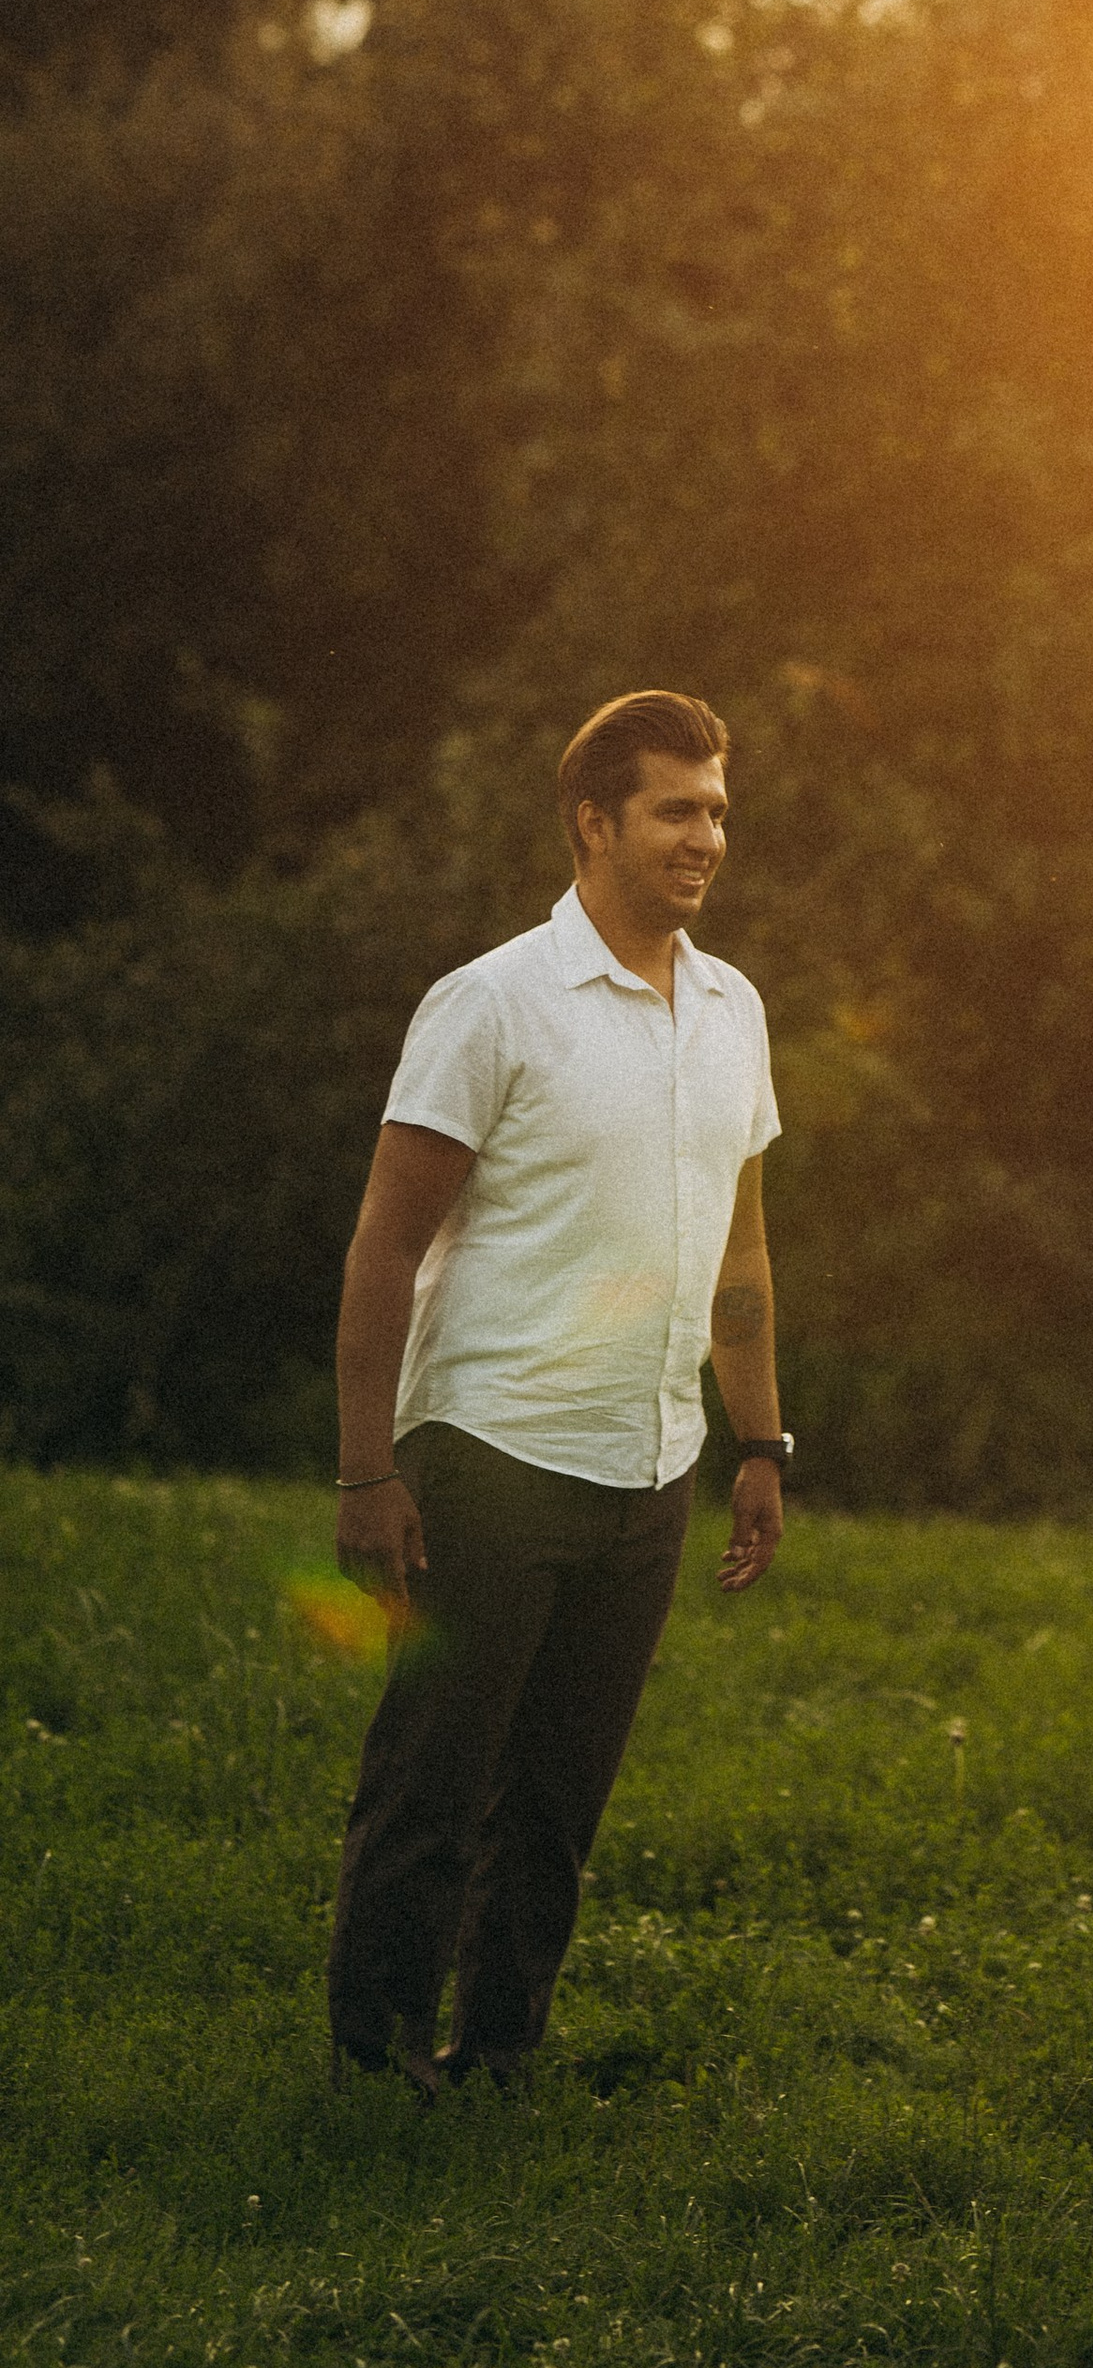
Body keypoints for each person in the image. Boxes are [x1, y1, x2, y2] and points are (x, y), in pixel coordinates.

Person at [326, 690, 791, 2097]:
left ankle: (503, 2051)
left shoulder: (731, 1009)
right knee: (434, 1777)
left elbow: (743, 1244)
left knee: (558, 1797)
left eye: (716, 807)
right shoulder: (493, 1003)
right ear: (594, 824)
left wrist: (759, 1438)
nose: (706, 834)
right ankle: (375, 2057)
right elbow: (386, 1243)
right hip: (488, 1452)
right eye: (675, 808)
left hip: (650, 1464)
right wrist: (366, 1469)